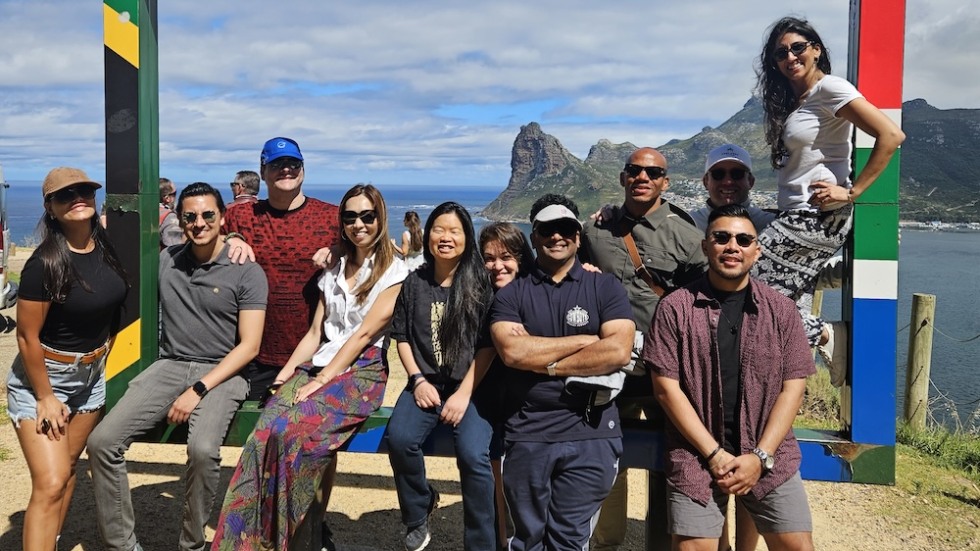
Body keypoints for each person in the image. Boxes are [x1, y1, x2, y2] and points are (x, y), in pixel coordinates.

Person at [212, 184, 408, 551]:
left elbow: (364, 335)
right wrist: (286, 374)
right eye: (350, 217)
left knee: (292, 435)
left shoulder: (396, 271)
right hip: (318, 366)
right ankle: (241, 541)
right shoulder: (334, 269)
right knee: (263, 436)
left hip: (361, 371)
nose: (359, 224)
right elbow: (315, 333)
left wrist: (321, 380)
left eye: (367, 216)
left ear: (380, 218)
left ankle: (288, 538)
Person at [88, 182, 267, 551]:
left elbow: (249, 346)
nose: (198, 223)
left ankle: (192, 544)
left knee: (202, 450)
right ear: (180, 219)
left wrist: (198, 390)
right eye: (190, 216)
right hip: (171, 365)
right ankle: (122, 545)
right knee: (102, 443)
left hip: (224, 372)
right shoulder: (167, 260)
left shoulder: (245, 270)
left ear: (222, 217)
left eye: (207, 215)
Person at [645, 204, 816, 551]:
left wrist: (761, 456)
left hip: (769, 455)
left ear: (757, 249)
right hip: (696, 456)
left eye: (743, 239)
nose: (732, 246)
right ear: (706, 246)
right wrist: (713, 454)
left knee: (797, 545)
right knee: (694, 547)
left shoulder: (781, 310)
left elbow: (793, 387)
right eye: (721, 237)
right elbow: (666, 389)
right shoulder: (675, 307)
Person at [754, 16, 905, 383]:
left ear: (816, 50)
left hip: (815, 216)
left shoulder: (831, 89)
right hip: (797, 214)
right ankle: (798, 363)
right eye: (780, 53)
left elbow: (891, 134)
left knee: (743, 282)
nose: (790, 56)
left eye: (798, 47)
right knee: (778, 301)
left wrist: (851, 192)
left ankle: (826, 335)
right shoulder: (798, 100)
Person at [579, 147, 707, 551]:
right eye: (634, 170)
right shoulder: (596, 229)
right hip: (608, 364)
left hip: (664, 367)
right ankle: (607, 541)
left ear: (665, 182)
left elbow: (704, 301)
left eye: (653, 172)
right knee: (604, 456)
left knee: (671, 455)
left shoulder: (685, 235)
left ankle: (660, 542)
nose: (642, 177)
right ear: (623, 178)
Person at [490, 195, 634, 550]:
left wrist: (546, 361)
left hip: (592, 434)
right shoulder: (512, 294)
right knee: (527, 539)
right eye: (547, 229)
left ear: (579, 236)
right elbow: (511, 351)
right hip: (527, 433)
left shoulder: (605, 286)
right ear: (534, 235)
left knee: (570, 539)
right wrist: (587, 341)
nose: (557, 236)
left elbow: (617, 350)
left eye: (566, 228)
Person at [6, 167, 128, 551]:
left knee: (69, 467)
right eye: (65, 195)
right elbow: (27, 337)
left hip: (91, 376)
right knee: (52, 480)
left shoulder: (106, 247)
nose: (77, 199)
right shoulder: (43, 263)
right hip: (45, 378)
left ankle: (50, 540)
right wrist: (45, 397)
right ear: (51, 208)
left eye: (84, 192)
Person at [388, 202, 496, 551]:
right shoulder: (415, 282)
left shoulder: (480, 283)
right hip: (426, 384)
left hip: (472, 387)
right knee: (400, 438)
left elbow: (487, 346)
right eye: (439, 229)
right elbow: (402, 336)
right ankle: (419, 512)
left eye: (454, 231)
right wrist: (418, 380)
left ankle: (481, 543)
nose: (445, 238)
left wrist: (464, 394)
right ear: (428, 233)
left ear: (468, 237)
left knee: (474, 455)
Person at [223, 137, 341, 399]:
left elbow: (366, 252)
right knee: (251, 432)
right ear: (263, 172)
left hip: (317, 352)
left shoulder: (332, 217)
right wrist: (231, 238)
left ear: (303, 169)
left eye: (293, 163)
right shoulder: (240, 217)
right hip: (254, 353)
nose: (286, 169)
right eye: (276, 164)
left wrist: (339, 250)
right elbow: (207, 240)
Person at [478, 222, 535, 550]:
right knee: (496, 485)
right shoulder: (478, 293)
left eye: (507, 256)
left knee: (522, 488)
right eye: (488, 258)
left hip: (525, 402)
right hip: (489, 399)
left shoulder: (537, 291)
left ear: (521, 256)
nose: (497, 265)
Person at [689, 144, 776, 233]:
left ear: (751, 181)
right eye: (718, 174)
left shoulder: (772, 226)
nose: (728, 181)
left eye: (737, 174)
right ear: (705, 181)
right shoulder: (688, 225)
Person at [159, 177, 183, 248]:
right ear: (167, 198)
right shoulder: (169, 217)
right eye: (174, 194)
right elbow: (174, 247)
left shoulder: (145, 211)